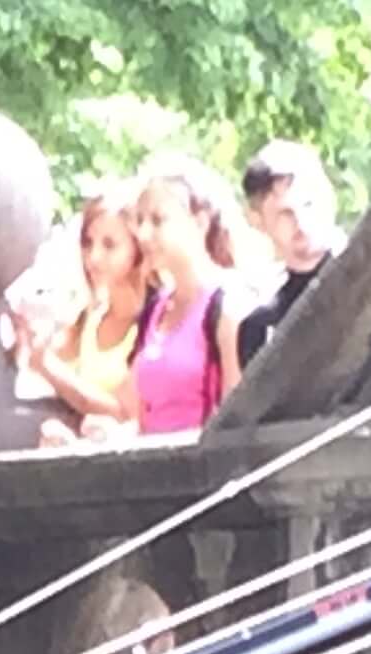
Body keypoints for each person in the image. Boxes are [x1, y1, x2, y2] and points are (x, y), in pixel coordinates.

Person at [119, 159, 242, 438]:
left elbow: (235, 422)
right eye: (140, 220)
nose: (143, 234)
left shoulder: (226, 307)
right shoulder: (154, 310)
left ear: (199, 223)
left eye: (158, 220)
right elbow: (142, 417)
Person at [24, 189, 156, 447]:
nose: (93, 257)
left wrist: (46, 366)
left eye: (109, 245)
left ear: (137, 247)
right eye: (87, 243)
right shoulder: (86, 319)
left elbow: (122, 411)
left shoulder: (155, 320)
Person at [237, 141, 342, 367]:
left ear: (330, 197)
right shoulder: (262, 327)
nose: (301, 221)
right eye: (285, 213)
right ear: (257, 220)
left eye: (308, 204)